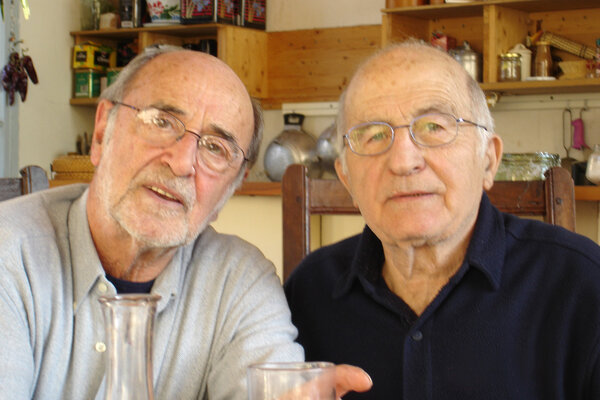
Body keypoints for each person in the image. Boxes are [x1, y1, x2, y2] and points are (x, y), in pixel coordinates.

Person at [0, 45, 371, 399]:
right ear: (102, 132)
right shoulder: (9, 254)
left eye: (215, 148)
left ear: (232, 188)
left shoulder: (240, 281)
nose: (181, 162)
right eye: (162, 121)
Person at [284, 40, 600, 399]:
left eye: (434, 127)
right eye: (373, 135)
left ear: (488, 160)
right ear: (346, 178)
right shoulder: (310, 291)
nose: (403, 161)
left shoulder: (584, 286)